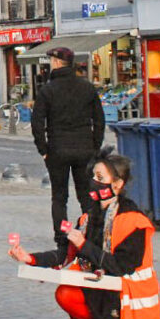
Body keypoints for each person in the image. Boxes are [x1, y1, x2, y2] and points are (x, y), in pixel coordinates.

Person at [8, 149, 160, 319]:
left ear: (118, 184)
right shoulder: (87, 218)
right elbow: (65, 255)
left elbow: (122, 267)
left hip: (126, 299)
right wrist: (30, 258)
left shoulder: (134, 222)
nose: (93, 182)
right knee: (64, 293)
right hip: (101, 291)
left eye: (100, 177)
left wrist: (84, 245)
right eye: (93, 176)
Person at [32, 46, 106, 245]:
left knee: (59, 197)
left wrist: (44, 150)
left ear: (56, 63)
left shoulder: (48, 90)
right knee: (86, 195)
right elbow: (99, 119)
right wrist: (95, 146)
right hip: (85, 149)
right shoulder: (87, 87)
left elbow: (37, 122)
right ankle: (91, 234)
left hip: (57, 149)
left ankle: (62, 236)